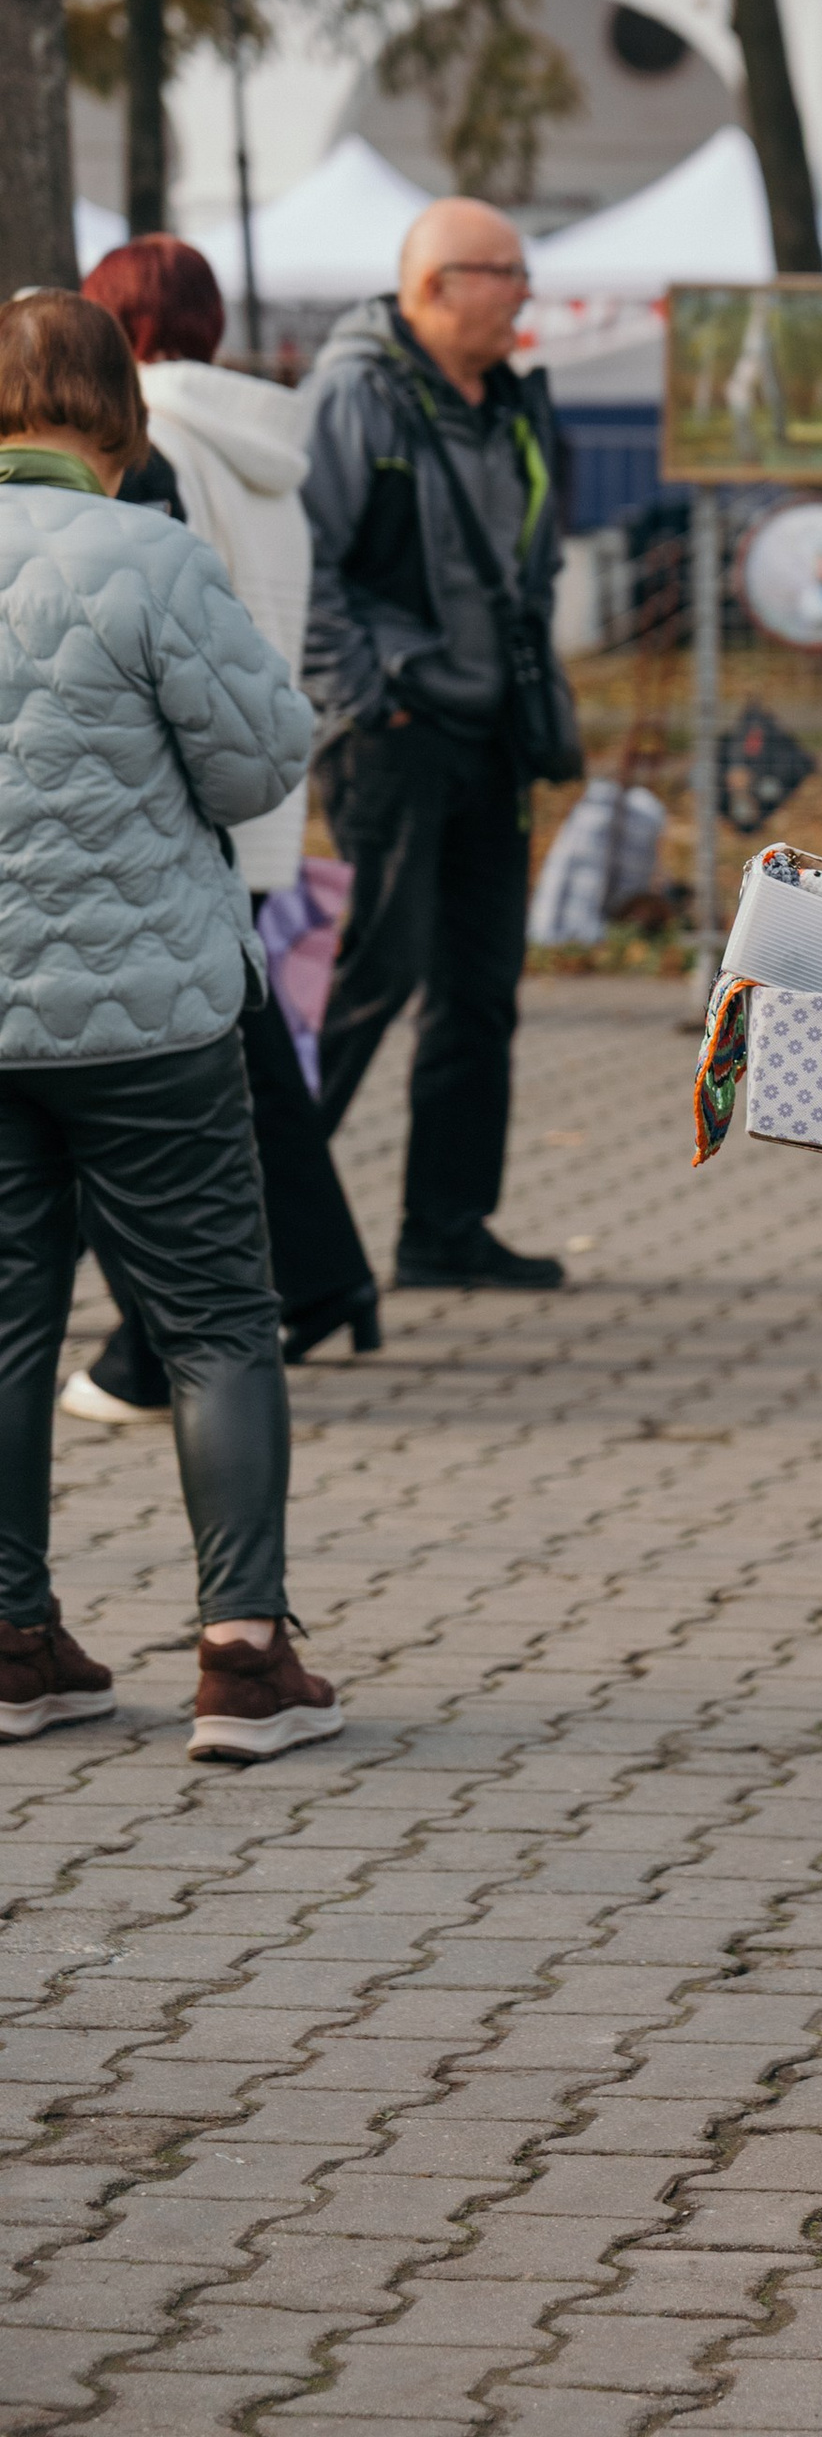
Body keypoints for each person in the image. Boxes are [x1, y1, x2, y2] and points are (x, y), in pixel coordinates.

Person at [0, 291, 342, 1761]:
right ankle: (242, 1661)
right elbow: (260, 764)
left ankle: (16, 1647)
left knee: (8, 1321)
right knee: (213, 1320)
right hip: (148, 1016)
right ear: (124, 421)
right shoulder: (150, 555)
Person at [61, 238, 378, 1419]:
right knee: (249, 1066)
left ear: (118, 326)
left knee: (154, 1082)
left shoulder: (154, 447)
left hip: (172, 812)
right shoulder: (262, 445)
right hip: (253, 795)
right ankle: (329, 1279)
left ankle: (156, 1344)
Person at [301, 199, 581, 1292]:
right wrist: (369, 699)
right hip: (396, 737)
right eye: (503, 273)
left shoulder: (509, 405)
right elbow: (305, 565)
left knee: (480, 987)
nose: (523, 294)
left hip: (491, 735)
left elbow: (531, 565)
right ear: (432, 286)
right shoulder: (354, 395)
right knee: (376, 975)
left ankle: (444, 1229)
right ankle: (257, 1224)